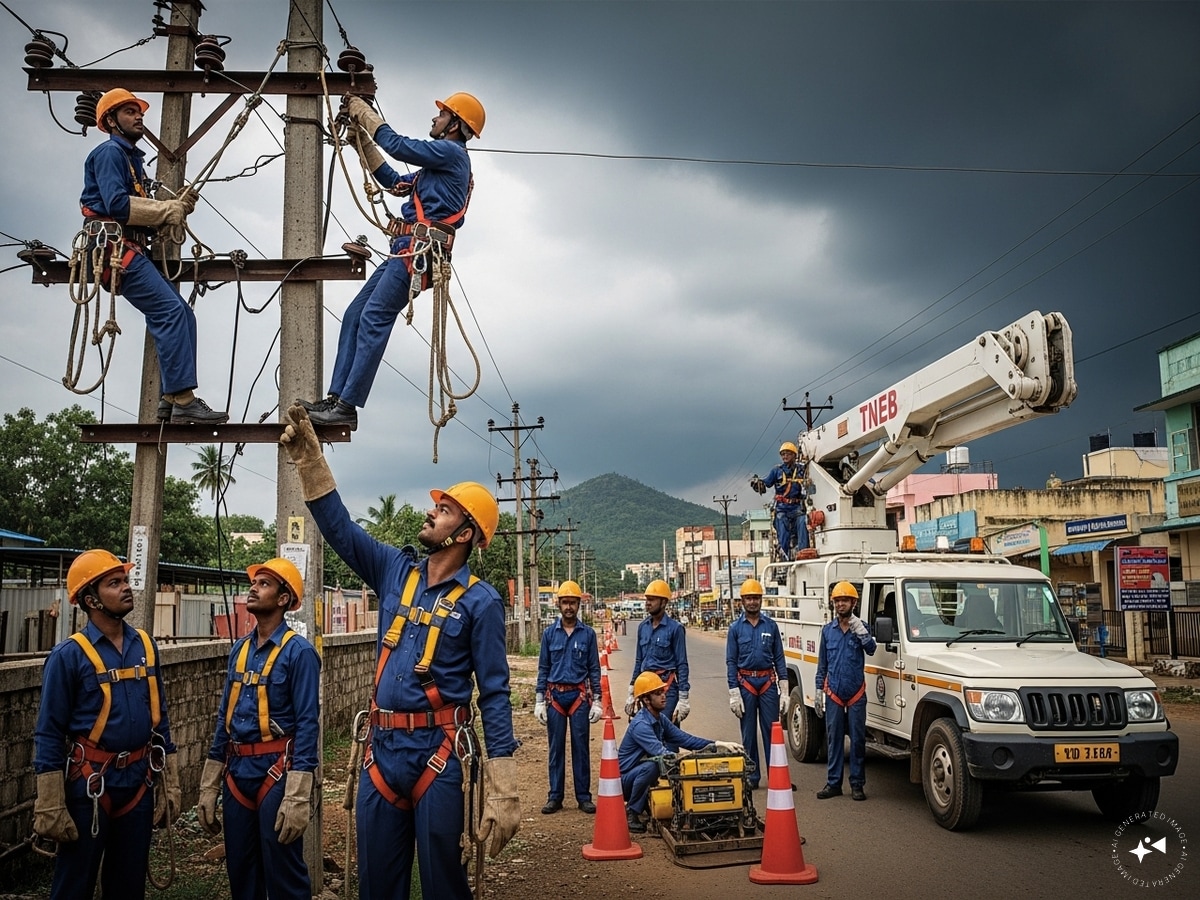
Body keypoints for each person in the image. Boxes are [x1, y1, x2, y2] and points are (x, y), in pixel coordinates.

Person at [279, 405, 519, 900]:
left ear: (465, 534)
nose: (431, 512)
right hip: (382, 752)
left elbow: (495, 694)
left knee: (443, 885)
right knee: (377, 885)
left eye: (445, 510)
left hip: (440, 753)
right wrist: (310, 462)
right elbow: (341, 531)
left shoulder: (481, 602)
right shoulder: (394, 569)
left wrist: (504, 785)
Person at [300, 92, 485, 430]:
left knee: (374, 316)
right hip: (405, 250)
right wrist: (361, 143)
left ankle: (347, 406)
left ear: (455, 125)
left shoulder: (451, 154)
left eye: (442, 115)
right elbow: (395, 181)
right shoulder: (435, 168)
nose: (435, 119)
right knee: (355, 314)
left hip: (419, 252)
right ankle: (337, 398)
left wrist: (364, 114)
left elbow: (397, 146)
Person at [33, 549, 181, 900]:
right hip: (91, 785)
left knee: (128, 885)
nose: (126, 587)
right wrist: (50, 802)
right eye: (114, 583)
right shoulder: (69, 656)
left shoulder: (145, 646)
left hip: (139, 782)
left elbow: (159, 716)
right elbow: (49, 731)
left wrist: (170, 781)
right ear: (90, 600)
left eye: (125, 580)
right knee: (74, 884)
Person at [80, 88, 227, 425]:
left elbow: (139, 212)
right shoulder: (109, 153)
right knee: (169, 312)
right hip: (114, 250)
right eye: (129, 112)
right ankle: (183, 400)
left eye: (139, 112)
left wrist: (174, 208)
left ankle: (170, 398)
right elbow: (117, 205)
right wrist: (165, 210)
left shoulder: (133, 160)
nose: (138, 117)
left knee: (183, 315)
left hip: (131, 247)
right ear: (111, 121)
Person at [196, 558, 321, 900]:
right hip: (237, 772)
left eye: (264, 584)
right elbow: (225, 718)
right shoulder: (240, 650)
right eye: (254, 583)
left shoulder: (299, 653)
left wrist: (297, 795)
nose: (253, 588)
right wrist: (210, 784)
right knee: (241, 869)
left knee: (283, 871)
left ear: (283, 598)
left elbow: (308, 725)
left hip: (276, 772)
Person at [618, 672, 743, 833]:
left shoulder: (660, 719)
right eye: (658, 693)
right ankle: (632, 812)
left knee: (659, 765)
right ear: (646, 700)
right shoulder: (641, 725)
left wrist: (717, 744)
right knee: (654, 766)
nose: (664, 696)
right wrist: (688, 760)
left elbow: (685, 739)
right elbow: (662, 754)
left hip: (636, 774)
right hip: (623, 781)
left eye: (663, 692)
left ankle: (644, 802)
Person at [535, 581, 603, 815]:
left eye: (573, 602)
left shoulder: (588, 634)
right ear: (559, 605)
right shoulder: (548, 634)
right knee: (555, 749)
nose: (569, 607)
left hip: (579, 697)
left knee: (580, 748)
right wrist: (539, 700)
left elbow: (594, 669)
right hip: (554, 697)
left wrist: (598, 700)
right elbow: (543, 668)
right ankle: (555, 796)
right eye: (565, 602)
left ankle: (583, 797)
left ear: (578, 604)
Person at [814, 581, 876, 801]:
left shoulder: (861, 627)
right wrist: (819, 690)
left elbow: (871, 650)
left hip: (856, 694)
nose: (841, 604)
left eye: (845, 600)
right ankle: (834, 784)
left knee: (858, 740)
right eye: (838, 601)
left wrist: (862, 633)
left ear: (853, 603)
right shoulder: (827, 631)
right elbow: (822, 664)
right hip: (834, 694)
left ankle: (857, 785)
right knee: (835, 739)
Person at [725, 578, 788, 791]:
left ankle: (777, 776)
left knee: (773, 732)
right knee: (748, 734)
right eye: (749, 598)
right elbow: (731, 661)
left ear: (761, 600)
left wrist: (785, 689)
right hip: (746, 684)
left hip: (768, 683)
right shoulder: (735, 629)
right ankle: (752, 777)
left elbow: (779, 658)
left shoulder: (771, 626)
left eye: (756, 598)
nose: (752, 602)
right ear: (742, 601)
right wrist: (734, 692)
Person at [625, 579, 691, 723]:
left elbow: (682, 664)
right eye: (647, 599)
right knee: (646, 730)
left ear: (663, 602)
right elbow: (639, 661)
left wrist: (683, 697)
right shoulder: (643, 627)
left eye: (652, 600)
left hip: (666, 689)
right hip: (645, 688)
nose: (648, 603)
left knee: (666, 730)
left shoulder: (675, 629)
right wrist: (632, 689)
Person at [750, 441, 808, 559]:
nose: (785, 456)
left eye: (788, 454)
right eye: (783, 454)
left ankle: (804, 552)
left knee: (803, 522)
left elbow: (811, 481)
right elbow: (766, 483)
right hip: (782, 508)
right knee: (782, 528)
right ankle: (784, 556)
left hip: (797, 506)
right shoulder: (776, 471)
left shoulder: (802, 469)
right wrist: (758, 484)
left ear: (794, 455)